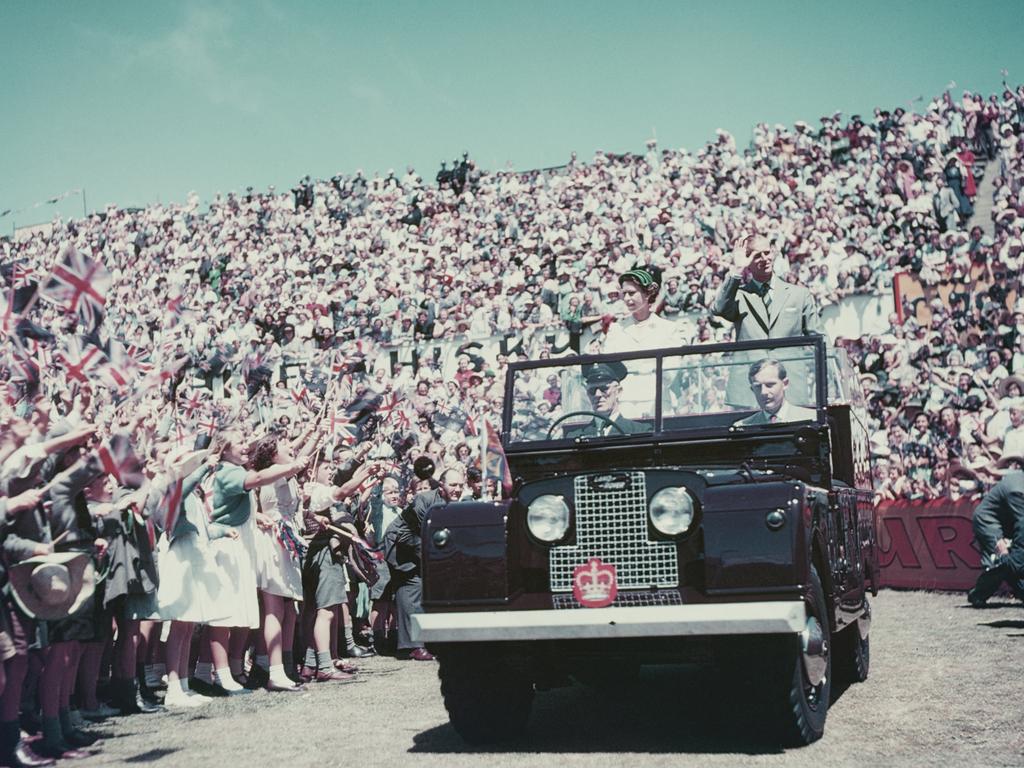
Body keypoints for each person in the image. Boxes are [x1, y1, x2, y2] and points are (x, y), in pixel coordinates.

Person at [713, 234, 823, 406]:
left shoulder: (799, 294)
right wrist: (737, 270)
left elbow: (821, 339)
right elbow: (719, 308)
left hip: (790, 387)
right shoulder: (739, 294)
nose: (764, 259)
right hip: (749, 390)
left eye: (767, 252)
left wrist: (832, 383)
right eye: (757, 255)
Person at [382, 465, 465, 662]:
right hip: (402, 546)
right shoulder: (424, 499)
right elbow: (409, 533)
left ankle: (426, 640)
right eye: (453, 484)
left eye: (461, 485)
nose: (458, 489)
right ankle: (412, 646)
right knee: (411, 588)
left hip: (420, 546)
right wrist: (432, 560)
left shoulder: (452, 502)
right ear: (441, 485)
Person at [967, 459, 1024, 607]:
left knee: (1008, 561)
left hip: (1003, 520)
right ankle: (979, 594)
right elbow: (1022, 525)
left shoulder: (1018, 482)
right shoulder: (1017, 490)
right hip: (989, 521)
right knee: (1003, 561)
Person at [560, 362, 647, 438]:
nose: (597, 395)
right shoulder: (574, 436)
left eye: (604, 389)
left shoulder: (640, 432)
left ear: (618, 392)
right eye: (592, 390)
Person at [735, 358, 817, 426]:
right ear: (752, 389)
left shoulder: (812, 419)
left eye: (770, 385)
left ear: (785, 384)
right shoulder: (743, 426)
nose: (764, 392)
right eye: (758, 387)